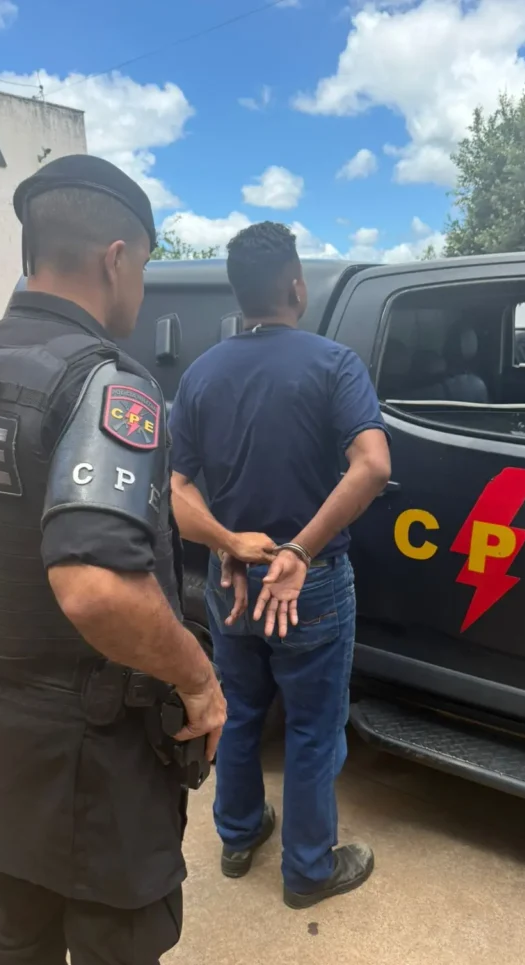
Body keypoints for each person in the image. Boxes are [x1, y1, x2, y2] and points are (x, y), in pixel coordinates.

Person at [0, 154, 229, 965]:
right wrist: (199, 679)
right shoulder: (105, 384)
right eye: (145, 270)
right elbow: (96, 589)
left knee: (20, 935)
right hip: (95, 747)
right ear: (116, 259)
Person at [169, 221, 391, 910]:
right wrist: (299, 549)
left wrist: (230, 543)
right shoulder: (334, 364)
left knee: (237, 712)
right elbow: (373, 466)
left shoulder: (201, 374)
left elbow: (175, 491)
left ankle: (238, 837)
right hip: (309, 585)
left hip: (232, 583)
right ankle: (308, 871)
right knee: (313, 727)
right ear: (296, 286)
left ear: (239, 295)